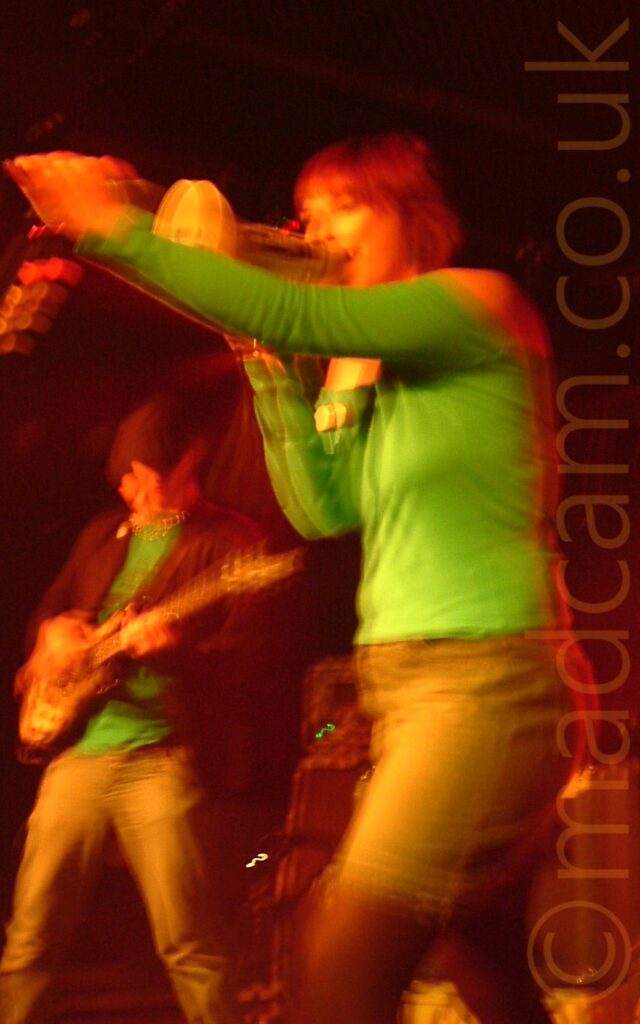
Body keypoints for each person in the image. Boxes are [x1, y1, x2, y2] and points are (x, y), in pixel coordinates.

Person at [5, 135, 593, 1024]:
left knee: (337, 976)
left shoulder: (476, 305)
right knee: (483, 963)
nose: (319, 229)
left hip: (485, 687)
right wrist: (269, 371)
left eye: (345, 206)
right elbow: (324, 508)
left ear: (414, 217)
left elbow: (303, 316)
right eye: (310, 214)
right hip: (416, 694)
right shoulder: (374, 364)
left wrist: (112, 229)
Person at [0, 387, 266, 1024]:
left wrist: (172, 651)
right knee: (31, 937)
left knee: (192, 943)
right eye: (121, 478)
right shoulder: (100, 536)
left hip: (161, 759)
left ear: (185, 465)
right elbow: (49, 607)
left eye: (141, 476)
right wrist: (47, 637)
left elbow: (249, 661)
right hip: (77, 759)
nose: (127, 490)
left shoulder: (229, 543)